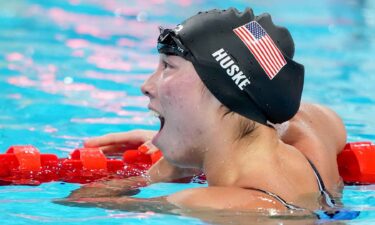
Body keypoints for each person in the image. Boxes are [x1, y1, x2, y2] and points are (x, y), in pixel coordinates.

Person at [61, 7, 347, 219]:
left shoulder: (222, 204)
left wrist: (146, 178)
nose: (146, 86)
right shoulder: (313, 149)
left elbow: (79, 203)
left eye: (167, 67)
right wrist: (200, 141)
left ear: (221, 94)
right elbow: (306, 116)